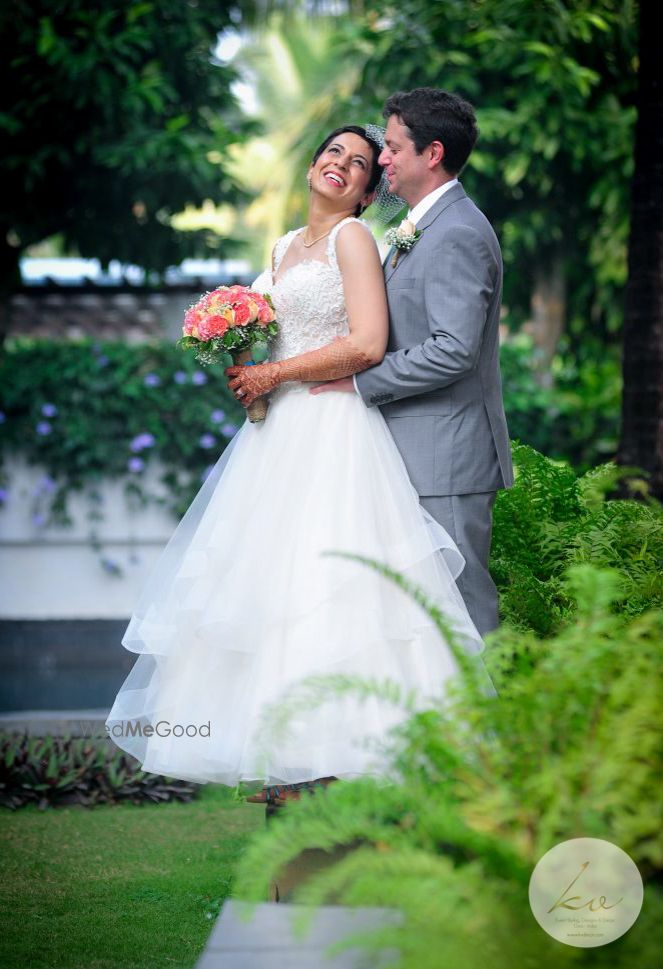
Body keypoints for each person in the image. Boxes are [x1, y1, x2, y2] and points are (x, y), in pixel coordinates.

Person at [106, 124, 493, 808]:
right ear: (312, 161)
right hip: (275, 436)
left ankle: (339, 759)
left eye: (360, 164)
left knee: (326, 588)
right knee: (265, 590)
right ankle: (288, 763)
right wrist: (248, 374)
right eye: (333, 152)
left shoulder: (354, 240)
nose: (340, 166)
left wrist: (274, 371)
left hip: (332, 428)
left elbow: (368, 343)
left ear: (371, 190)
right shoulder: (284, 245)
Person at [309, 90, 515, 637]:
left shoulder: (459, 232)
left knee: (460, 612)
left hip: (446, 458)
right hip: (412, 450)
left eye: (393, 148)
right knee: (419, 621)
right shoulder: (422, 225)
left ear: (432, 154)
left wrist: (357, 381)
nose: (382, 159)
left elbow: (453, 348)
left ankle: (488, 723)